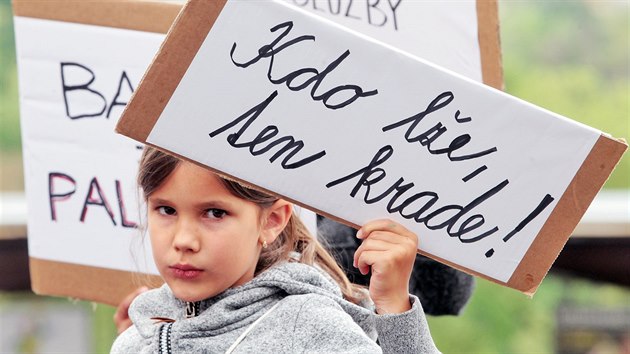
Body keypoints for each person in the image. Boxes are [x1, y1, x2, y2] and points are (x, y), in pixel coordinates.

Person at [111, 147, 439, 353]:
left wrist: (395, 307)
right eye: (166, 210)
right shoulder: (134, 341)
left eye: (215, 213)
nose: (184, 240)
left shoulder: (308, 328)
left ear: (272, 221)